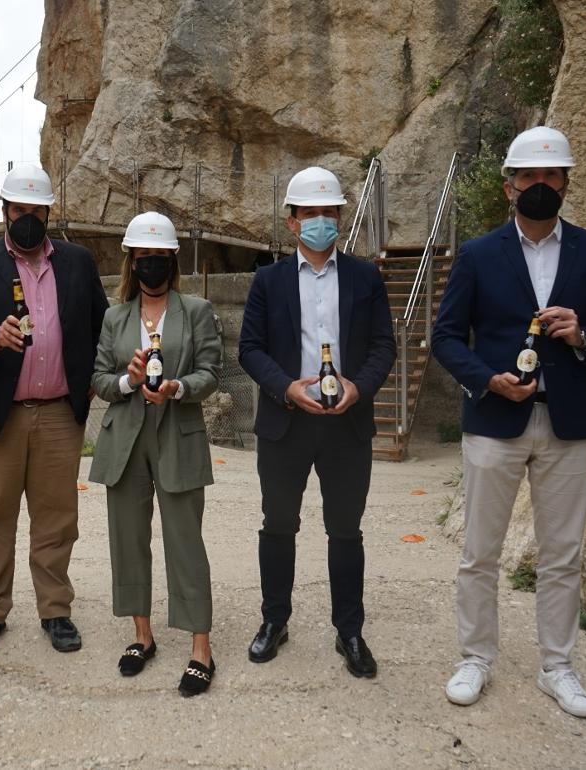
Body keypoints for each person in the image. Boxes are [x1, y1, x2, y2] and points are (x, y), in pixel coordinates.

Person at [432, 126, 586, 718]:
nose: (540, 185)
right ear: (509, 187)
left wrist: (585, 336)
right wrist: (485, 378)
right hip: (495, 420)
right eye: (529, 177)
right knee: (479, 551)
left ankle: (558, 666)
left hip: (568, 423)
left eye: (551, 176)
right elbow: (446, 336)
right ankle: (475, 658)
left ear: (566, 183)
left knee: (562, 554)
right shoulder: (477, 254)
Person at [0, 163, 108, 653]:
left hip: (60, 410)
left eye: (36, 210)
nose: (28, 218)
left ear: (48, 211)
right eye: (19, 210)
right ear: (5, 213)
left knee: (57, 517)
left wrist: (95, 377)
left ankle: (55, 609)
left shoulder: (77, 262)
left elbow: (102, 324)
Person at [238, 166, 396, 678]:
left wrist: (360, 387)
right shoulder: (269, 280)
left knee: (345, 530)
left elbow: (382, 346)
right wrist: (285, 387)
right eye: (310, 213)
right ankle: (273, 621)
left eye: (329, 212)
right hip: (287, 421)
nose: (320, 221)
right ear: (291, 222)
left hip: (346, 422)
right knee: (278, 526)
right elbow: (250, 349)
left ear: (340, 218)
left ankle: (349, 629)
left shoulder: (366, 277)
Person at [90, 212, 222, 696]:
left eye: (160, 258)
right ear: (132, 261)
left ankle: (200, 648)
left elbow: (211, 370)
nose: (151, 266)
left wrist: (179, 387)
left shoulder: (197, 310)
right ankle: (141, 636)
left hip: (177, 431)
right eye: (143, 258)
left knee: (185, 540)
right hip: (125, 436)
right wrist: (128, 379)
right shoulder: (114, 317)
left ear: (172, 261)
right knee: (128, 538)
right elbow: (100, 379)